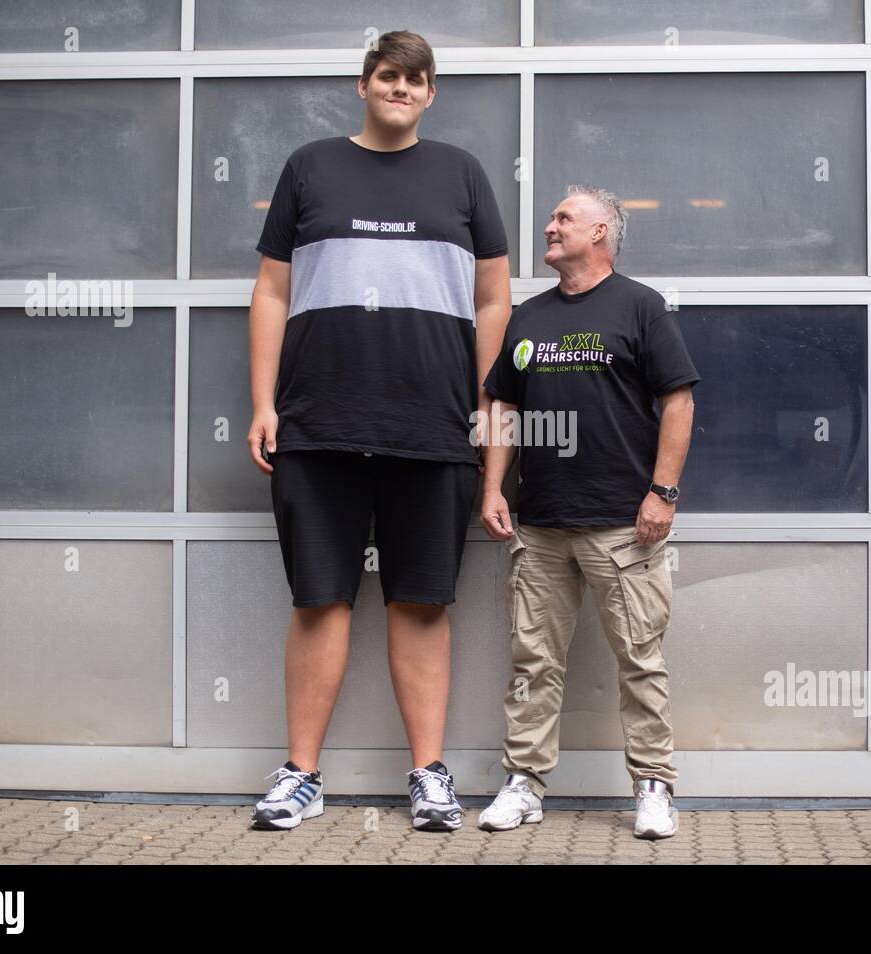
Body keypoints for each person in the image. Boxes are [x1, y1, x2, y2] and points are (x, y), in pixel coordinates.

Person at [245, 30, 512, 832]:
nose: (401, 88)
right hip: (318, 423)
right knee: (320, 601)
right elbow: (269, 291)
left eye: (416, 79)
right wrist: (264, 403)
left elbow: (495, 298)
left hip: (432, 429)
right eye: (388, 75)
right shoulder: (309, 166)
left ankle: (429, 776)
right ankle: (301, 775)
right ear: (364, 84)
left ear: (431, 94)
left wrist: (478, 403)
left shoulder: (462, 173)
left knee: (422, 603)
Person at [477, 185, 699, 839]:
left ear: (601, 231)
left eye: (563, 218)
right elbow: (503, 409)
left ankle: (654, 787)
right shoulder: (530, 316)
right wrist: (493, 488)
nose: (550, 226)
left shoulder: (640, 307)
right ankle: (523, 785)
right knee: (533, 662)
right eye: (551, 218)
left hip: (622, 527)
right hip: (541, 525)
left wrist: (663, 492)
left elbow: (679, 402)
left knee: (640, 658)